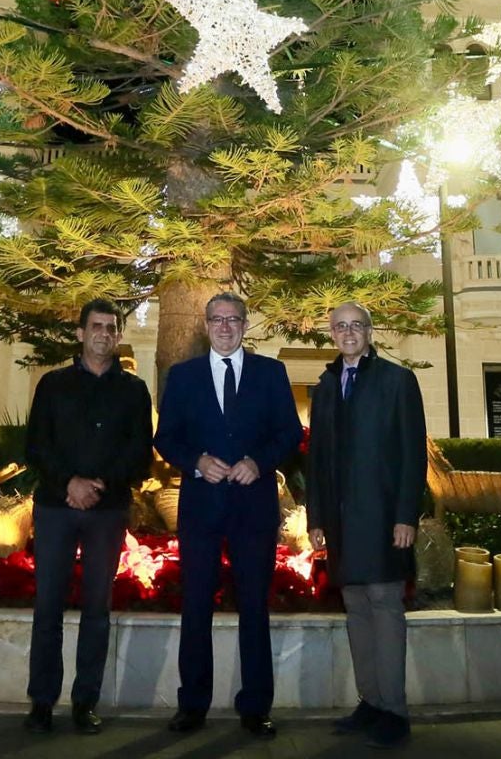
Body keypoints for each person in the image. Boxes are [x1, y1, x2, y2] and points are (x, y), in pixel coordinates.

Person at [154, 292, 302, 739]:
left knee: (254, 606)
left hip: (253, 507)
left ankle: (255, 706)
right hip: (201, 506)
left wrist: (259, 461)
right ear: (206, 324)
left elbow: (290, 433)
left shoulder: (271, 373)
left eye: (233, 319)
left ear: (244, 324)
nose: (224, 327)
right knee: (195, 604)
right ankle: (192, 704)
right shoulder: (183, 376)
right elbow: (166, 439)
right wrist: (196, 461)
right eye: (217, 320)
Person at [20, 300, 154, 735]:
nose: (103, 334)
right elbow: (37, 446)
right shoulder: (52, 385)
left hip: (107, 511)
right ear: (80, 334)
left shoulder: (134, 391)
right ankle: (42, 702)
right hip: (56, 509)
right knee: (48, 608)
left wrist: (97, 486)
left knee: (97, 609)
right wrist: (69, 485)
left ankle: (85, 702)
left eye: (111, 328)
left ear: (118, 336)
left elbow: (139, 456)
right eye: (95, 327)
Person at [307, 302, 427, 750]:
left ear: (369, 331)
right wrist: (315, 517)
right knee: (356, 608)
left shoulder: (397, 381)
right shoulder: (323, 386)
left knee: (385, 606)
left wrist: (405, 516)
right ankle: (371, 702)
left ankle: (394, 710)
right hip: (339, 523)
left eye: (357, 325)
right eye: (341, 327)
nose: (349, 333)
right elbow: (316, 458)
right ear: (332, 334)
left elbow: (412, 455)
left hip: (383, 518)